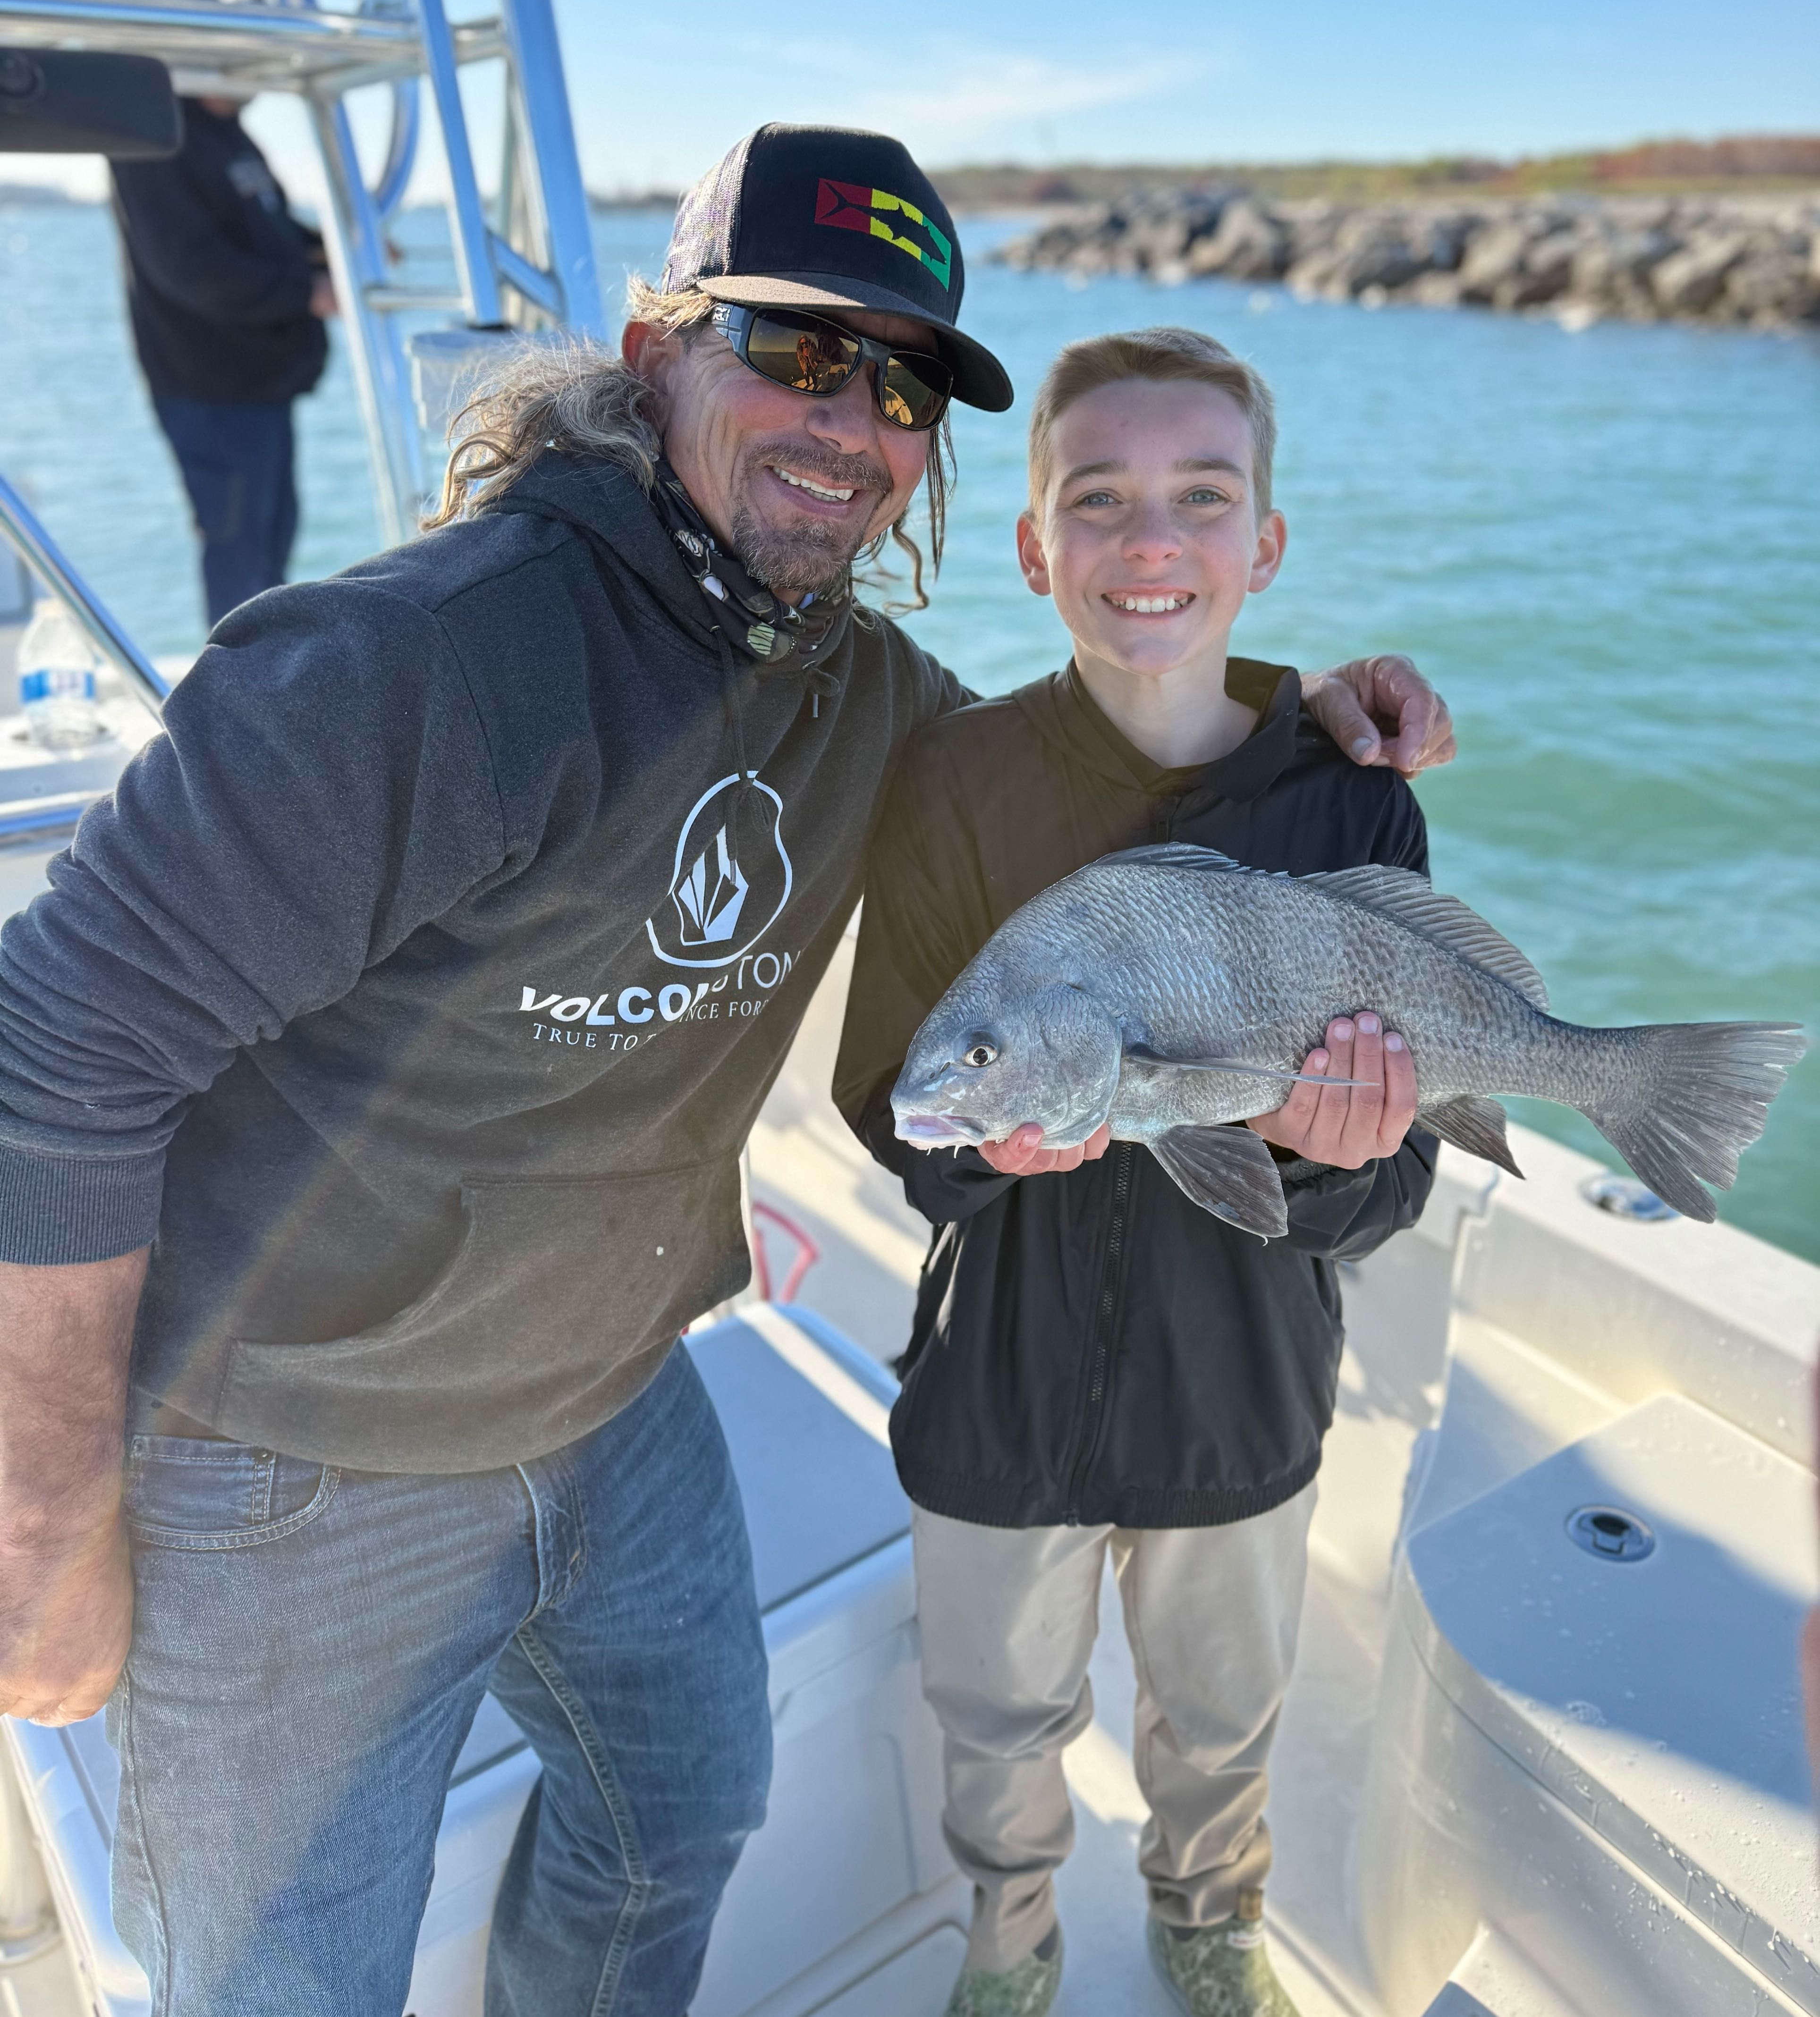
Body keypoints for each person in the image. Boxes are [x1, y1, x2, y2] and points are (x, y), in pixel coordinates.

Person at [0, 125, 1452, 2017]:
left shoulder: (863, 696)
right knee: (281, 1981)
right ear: (652, 345)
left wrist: (1302, 722)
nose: (852, 419)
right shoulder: (413, 662)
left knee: (679, 1812)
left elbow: (1086, 771)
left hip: (617, 1403)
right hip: (293, 1458)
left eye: (903, 379)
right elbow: (53, 1053)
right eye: (796, 350)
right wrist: (39, 1532)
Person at [835, 326, 1443, 2017]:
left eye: (1200, 496)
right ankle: (1009, 1934)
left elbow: (1388, 1187)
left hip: (1238, 1384)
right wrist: (982, 1162)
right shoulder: (952, 782)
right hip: (995, 1387)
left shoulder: (1355, 809)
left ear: (1264, 545)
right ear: (1034, 549)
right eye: (1095, 499)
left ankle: (1206, 1919)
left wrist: (1321, 1162)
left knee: (1222, 1712)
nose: (1147, 539)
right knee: (996, 1713)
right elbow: (892, 1096)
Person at [109, 0, 333, 626]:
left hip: (261, 386)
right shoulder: (151, 138)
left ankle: (262, 695)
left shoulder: (228, 132)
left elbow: (262, 226)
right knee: (240, 559)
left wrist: (331, 250)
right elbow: (189, 266)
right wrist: (310, 291)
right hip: (209, 390)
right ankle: (235, 717)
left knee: (272, 546)